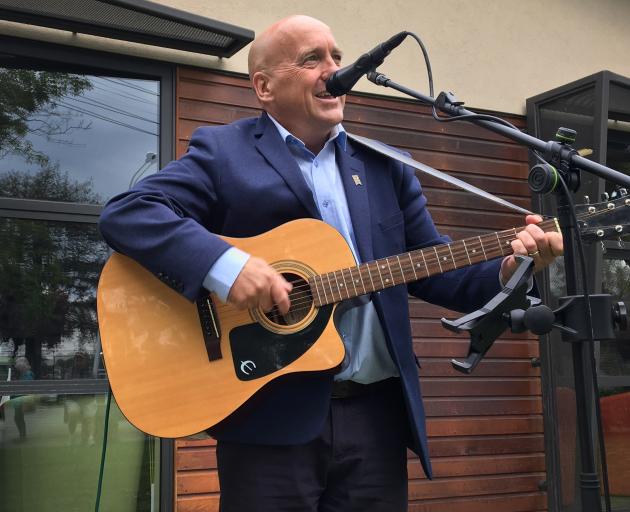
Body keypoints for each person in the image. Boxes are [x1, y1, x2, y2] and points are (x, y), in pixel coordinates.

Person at [98, 14, 563, 512]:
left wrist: (511, 270)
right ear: (264, 86)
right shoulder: (224, 152)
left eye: (337, 57)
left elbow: (434, 268)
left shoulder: (386, 165)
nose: (334, 69)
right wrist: (229, 267)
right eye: (311, 59)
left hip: (376, 420)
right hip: (268, 422)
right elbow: (129, 214)